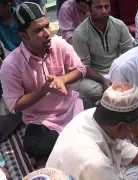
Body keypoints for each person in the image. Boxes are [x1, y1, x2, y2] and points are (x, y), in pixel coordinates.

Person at [0, 2, 86, 164]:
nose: (47, 33)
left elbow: (80, 69)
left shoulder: (59, 44)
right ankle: (76, 140)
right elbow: (14, 105)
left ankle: (66, 145)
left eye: (47, 26)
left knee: (102, 115)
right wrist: (45, 89)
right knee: (34, 145)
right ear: (23, 36)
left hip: (72, 107)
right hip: (43, 120)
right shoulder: (11, 65)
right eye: (38, 30)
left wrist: (61, 80)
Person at [46, 82, 138, 180]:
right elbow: (100, 164)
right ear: (120, 127)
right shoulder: (95, 162)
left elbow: (119, 147)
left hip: (95, 172)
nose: (136, 131)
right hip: (90, 171)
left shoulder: (93, 115)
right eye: (135, 125)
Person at [72, 0, 134, 104]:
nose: (104, 11)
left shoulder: (119, 25)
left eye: (107, 6)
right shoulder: (80, 33)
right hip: (95, 76)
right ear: (89, 9)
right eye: (99, 7)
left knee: (137, 77)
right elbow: (83, 66)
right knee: (92, 90)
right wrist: (102, 80)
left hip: (117, 69)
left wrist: (122, 73)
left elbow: (129, 53)